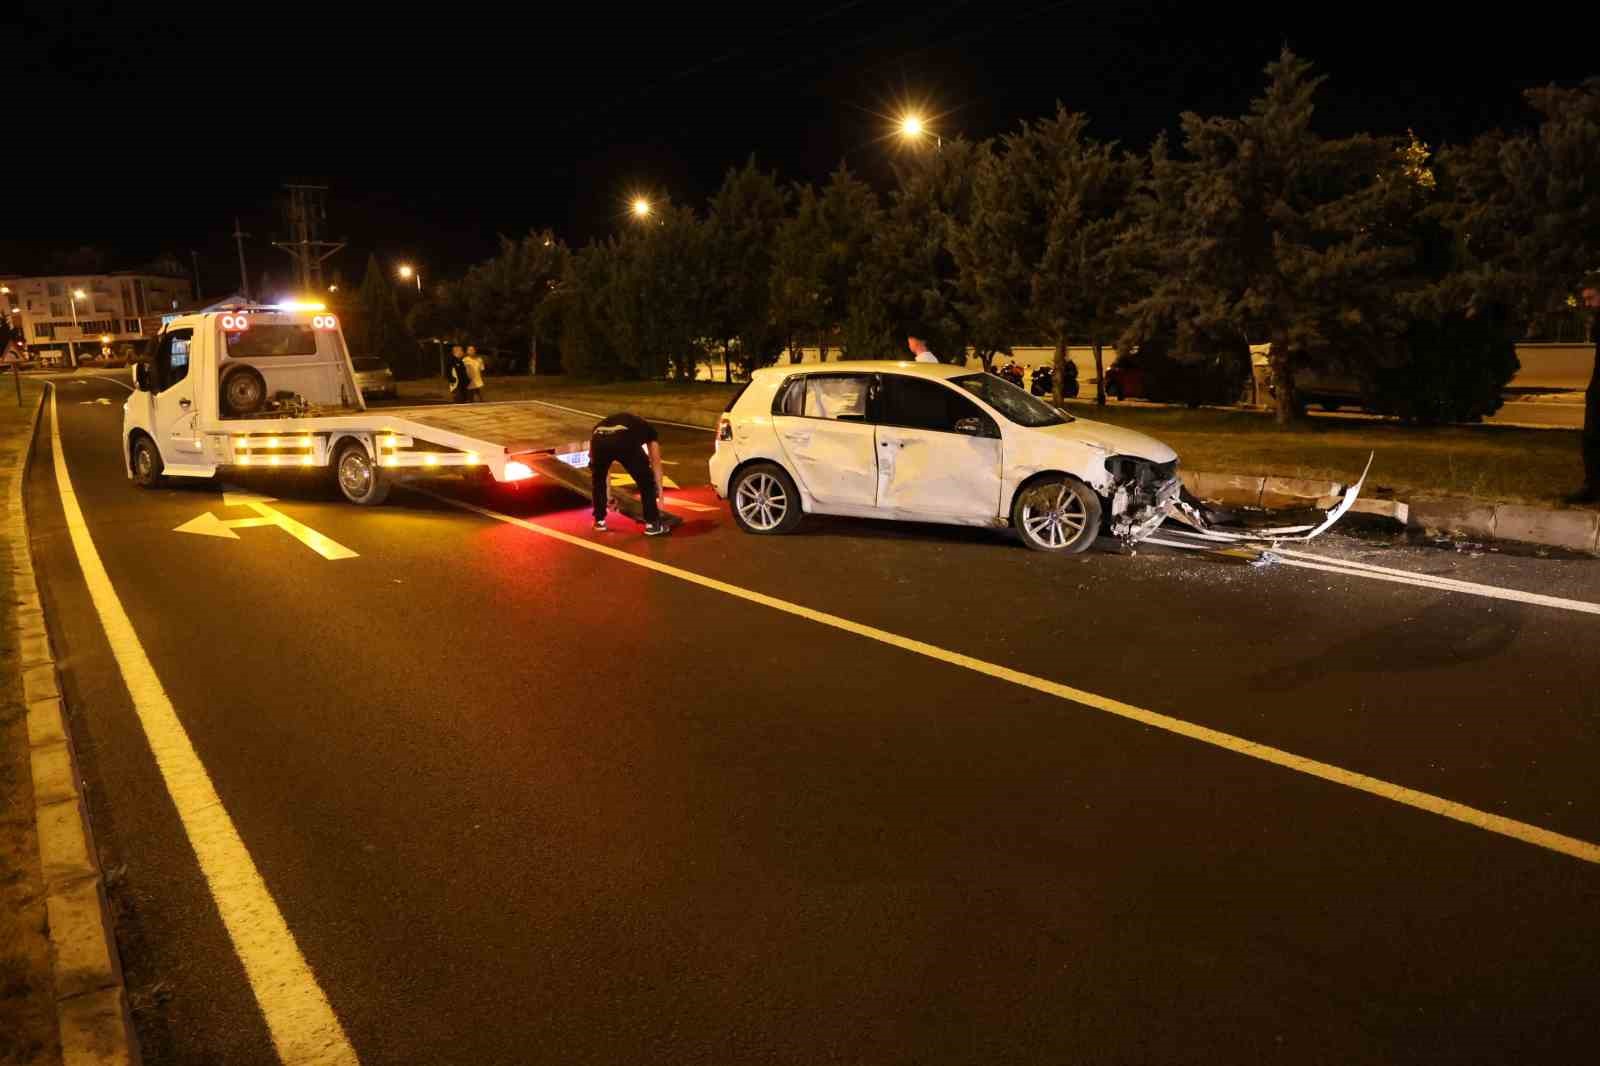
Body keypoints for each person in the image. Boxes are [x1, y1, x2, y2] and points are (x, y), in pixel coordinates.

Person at [589, 412, 670, 536]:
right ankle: (652, 523)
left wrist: (608, 496)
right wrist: (660, 494)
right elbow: (656, 461)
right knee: (646, 481)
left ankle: (599, 521)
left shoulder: (605, 423)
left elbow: (603, 470)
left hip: (598, 439)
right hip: (623, 438)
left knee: (598, 479)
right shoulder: (650, 430)